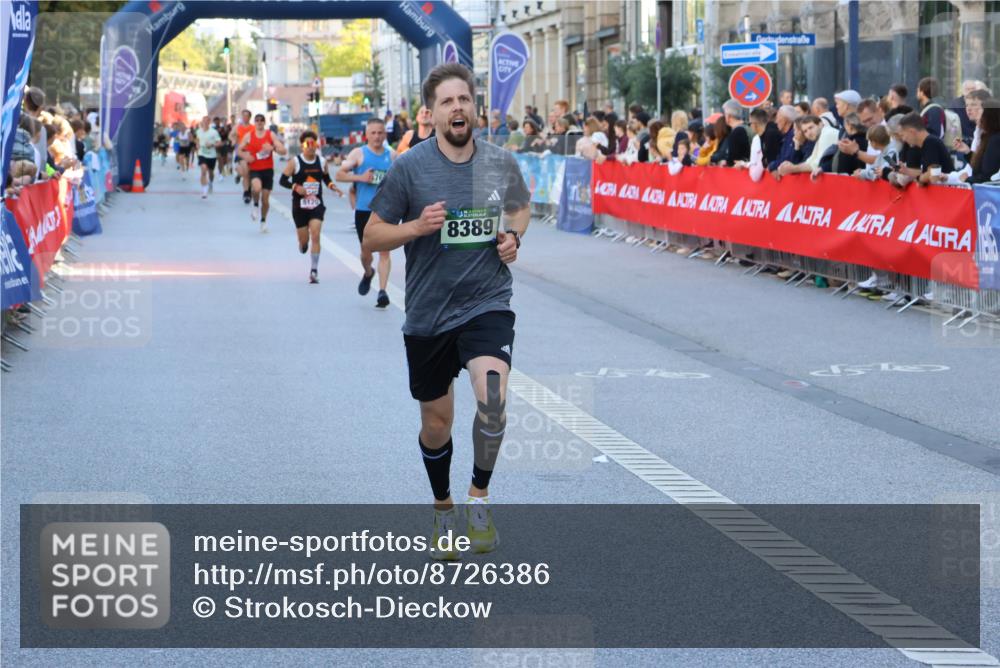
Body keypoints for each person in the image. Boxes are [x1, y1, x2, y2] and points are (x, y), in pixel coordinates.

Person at [362, 63, 530, 560]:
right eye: (447, 101)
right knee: (437, 425)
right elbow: (372, 236)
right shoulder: (410, 167)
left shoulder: (499, 162)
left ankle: (478, 499)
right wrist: (415, 227)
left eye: (464, 99)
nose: (458, 108)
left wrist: (514, 235)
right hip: (429, 313)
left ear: (475, 107)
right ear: (430, 114)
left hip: (486, 302)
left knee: (493, 399)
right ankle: (443, 508)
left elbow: (520, 206)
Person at [336, 117, 395, 308]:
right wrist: (361, 177)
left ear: (385, 134)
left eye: (380, 133)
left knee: (385, 252)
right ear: (366, 135)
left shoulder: (392, 155)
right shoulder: (358, 153)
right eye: (373, 133)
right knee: (365, 253)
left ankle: (382, 292)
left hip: (385, 210)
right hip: (364, 210)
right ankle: (368, 272)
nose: (377, 136)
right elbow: (339, 175)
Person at [279, 130, 344, 283]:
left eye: (313, 143)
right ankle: (303, 245)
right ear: (302, 146)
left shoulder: (322, 161)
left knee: (316, 234)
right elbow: (282, 181)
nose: (310, 147)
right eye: (307, 144)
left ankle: (314, 270)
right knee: (304, 241)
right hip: (300, 205)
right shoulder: (295, 162)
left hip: (316, 204)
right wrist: (296, 187)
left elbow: (326, 179)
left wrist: (333, 187)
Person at [238, 113, 288, 232]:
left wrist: (273, 148)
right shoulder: (249, 136)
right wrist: (245, 156)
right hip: (255, 169)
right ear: (254, 122)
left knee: (265, 200)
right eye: (257, 120)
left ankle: (263, 221)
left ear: (264, 122)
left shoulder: (270, 135)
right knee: (256, 188)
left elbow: (284, 151)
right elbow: (239, 150)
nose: (259, 122)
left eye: (261, 120)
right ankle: (255, 204)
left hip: (268, 170)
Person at [897, 111, 954, 185]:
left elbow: (932, 173)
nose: (903, 139)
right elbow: (927, 172)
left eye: (903, 135)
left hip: (947, 188)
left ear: (912, 132)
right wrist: (907, 171)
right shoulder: (927, 143)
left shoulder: (930, 142)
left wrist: (920, 179)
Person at [964, 100, 1000, 184]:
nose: (978, 117)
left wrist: (966, 179)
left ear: (989, 117)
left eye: (980, 113)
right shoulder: (987, 136)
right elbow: (980, 167)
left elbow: (986, 175)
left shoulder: (995, 140)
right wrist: (967, 152)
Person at [710, 100, 750, 166]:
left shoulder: (737, 132)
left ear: (729, 116)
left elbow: (733, 158)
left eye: (725, 114)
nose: (724, 117)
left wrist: (726, 162)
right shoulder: (747, 127)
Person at [194, 116, 222, 199]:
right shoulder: (198, 131)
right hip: (202, 154)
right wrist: (197, 144)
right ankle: (204, 190)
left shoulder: (214, 132)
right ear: (202, 122)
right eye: (204, 121)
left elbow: (219, 143)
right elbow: (197, 139)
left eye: (207, 121)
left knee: (211, 172)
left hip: (212, 155)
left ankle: (210, 183)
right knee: (203, 170)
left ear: (209, 122)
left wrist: (212, 145)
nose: (205, 122)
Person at [230, 109, 254, 203]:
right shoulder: (237, 127)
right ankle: (246, 193)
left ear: (249, 117)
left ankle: (239, 175)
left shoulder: (253, 127)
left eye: (247, 116)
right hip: (241, 152)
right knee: (246, 172)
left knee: (249, 173)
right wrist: (233, 140)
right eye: (243, 115)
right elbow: (231, 135)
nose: (245, 117)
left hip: (251, 152)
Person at [768, 105, 800, 171]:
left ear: (785, 120)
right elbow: (780, 157)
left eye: (777, 118)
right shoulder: (785, 136)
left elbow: (788, 160)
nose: (776, 122)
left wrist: (772, 166)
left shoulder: (794, 135)